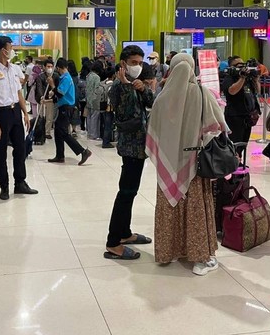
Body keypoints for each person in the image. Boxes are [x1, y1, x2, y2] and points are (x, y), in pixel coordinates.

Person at [146, 53, 226, 274]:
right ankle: (202, 257)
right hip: (196, 164)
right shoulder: (201, 93)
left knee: (170, 206)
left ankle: (169, 251)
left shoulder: (162, 98)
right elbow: (219, 126)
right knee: (196, 208)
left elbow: (153, 132)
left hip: (167, 162)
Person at [103, 45, 155, 260]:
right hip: (130, 146)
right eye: (133, 62)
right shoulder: (117, 86)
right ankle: (113, 242)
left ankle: (124, 233)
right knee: (125, 192)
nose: (137, 66)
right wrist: (126, 86)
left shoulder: (136, 84)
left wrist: (142, 89)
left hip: (140, 146)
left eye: (140, 63)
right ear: (123, 64)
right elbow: (125, 114)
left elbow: (152, 103)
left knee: (131, 191)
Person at [0, 36, 38, 200]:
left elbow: (18, 93)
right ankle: (4, 186)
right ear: (3, 50)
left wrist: (25, 114)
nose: (12, 49)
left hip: (15, 113)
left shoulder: (15, 69)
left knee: (20, 148)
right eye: (11, 46)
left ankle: (20, 182)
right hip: (1, 114)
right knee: (1, 152)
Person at [47, 58, 92, 165]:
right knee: (58, 132)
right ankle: (60, 155)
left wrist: (52, 85)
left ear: (58, 68)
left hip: (66, 108)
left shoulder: (66, 78)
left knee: (63, 132)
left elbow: (60, 93)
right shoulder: (65, 78)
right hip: (63, 106)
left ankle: (83, 151)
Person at [222, 55, 260, 155]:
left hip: (248, 116)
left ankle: (239, 162)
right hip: (235, 116)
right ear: (232, 67)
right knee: (235, 142)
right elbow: (232, 91)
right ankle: (234, 163)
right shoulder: (229, 78)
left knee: (244, 142)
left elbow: (257, 91)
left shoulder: (248, 78)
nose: (242, 67)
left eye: (243, 64)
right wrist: (242, 78)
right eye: (239, 65)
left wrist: (256, 79)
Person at [36, 60, 57, 139]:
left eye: (51, 67)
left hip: (50, 100)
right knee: (41, 116)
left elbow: (56, 87)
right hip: (41, 99)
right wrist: (41, 96)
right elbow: (39, 87)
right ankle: (40, 131)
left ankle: (47, 132)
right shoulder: (40, 76)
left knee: (49, 117)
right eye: (48, 66)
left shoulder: (55, 76)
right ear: (44, 67)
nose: (50, 68)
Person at [86, 61, 102, 140]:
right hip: (95, 99)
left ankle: (89, 133)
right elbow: (97, 89)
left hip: (88, 98)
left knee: (89, 116)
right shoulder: (97, 77)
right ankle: (94, 134)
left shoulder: (88, 76)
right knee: (95, 117)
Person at [101, 67, 116, 148]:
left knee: (106, 125)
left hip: (103, 106)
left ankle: (106, 140)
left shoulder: (103, 83)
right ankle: (106, 142)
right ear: (113, 75)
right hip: (110, 108)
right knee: (108, 125)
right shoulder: (112, 85)